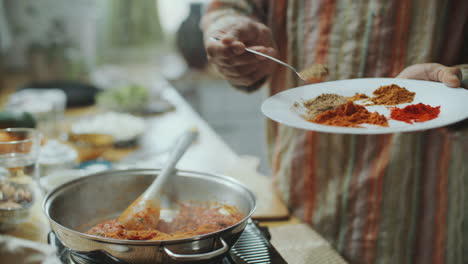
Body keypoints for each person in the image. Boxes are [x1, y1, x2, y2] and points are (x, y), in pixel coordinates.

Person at [201, 1, 468, 264]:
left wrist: (460, 80)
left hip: (420, 195)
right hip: (303, 190)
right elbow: (228, 7)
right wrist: (226, 32)